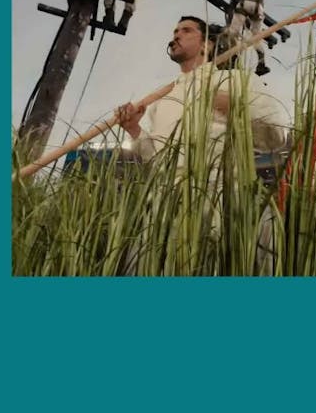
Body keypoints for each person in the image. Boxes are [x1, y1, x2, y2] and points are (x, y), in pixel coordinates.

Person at [113, 15, 287, 275]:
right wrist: (135, 130)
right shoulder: (162, 103)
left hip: (226, 198)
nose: (176, 35)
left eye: (186, 30)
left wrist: (235, 106)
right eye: (174, 30)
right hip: (166, 206)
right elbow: (156, 158)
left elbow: (276, 133)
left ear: (207, 45)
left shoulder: (235, 81)